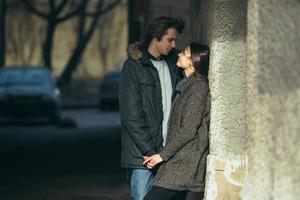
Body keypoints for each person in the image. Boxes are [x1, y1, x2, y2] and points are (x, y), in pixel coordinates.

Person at [119, 16, 185, 200]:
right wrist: (151, 153)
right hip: (143, 157)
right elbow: (131, 116)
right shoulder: (133, 67)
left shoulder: (175, 65)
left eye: (175, 41)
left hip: (169, 154)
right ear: (156, 37)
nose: (173, 45)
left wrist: (166, 153)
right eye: (169, 39)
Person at [143, 43, 211, 200]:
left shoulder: (198, 88)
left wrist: (161, 156)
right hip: (178, 158)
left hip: (185, 161)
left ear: (193, 61)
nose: (179, 54)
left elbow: (188, 129)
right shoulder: (187, 85)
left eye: (185, 53)